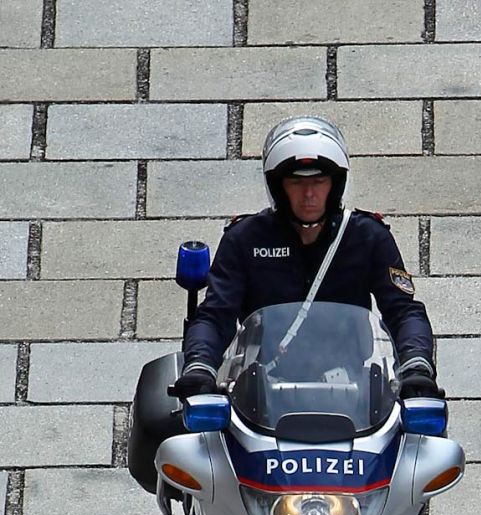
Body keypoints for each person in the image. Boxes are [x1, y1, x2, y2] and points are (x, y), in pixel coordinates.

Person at [174, 116, 438, 400]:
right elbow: (216, 315)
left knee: (425, 432)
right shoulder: (245, 239)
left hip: (354, 390)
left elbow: (403, 311)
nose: (309, 193)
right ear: (278, 185)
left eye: (320, 181)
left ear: (335, 184)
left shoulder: (367, 236)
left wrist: (416, 365)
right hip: (260, 391)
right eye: (296, 183)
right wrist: (199, 365)